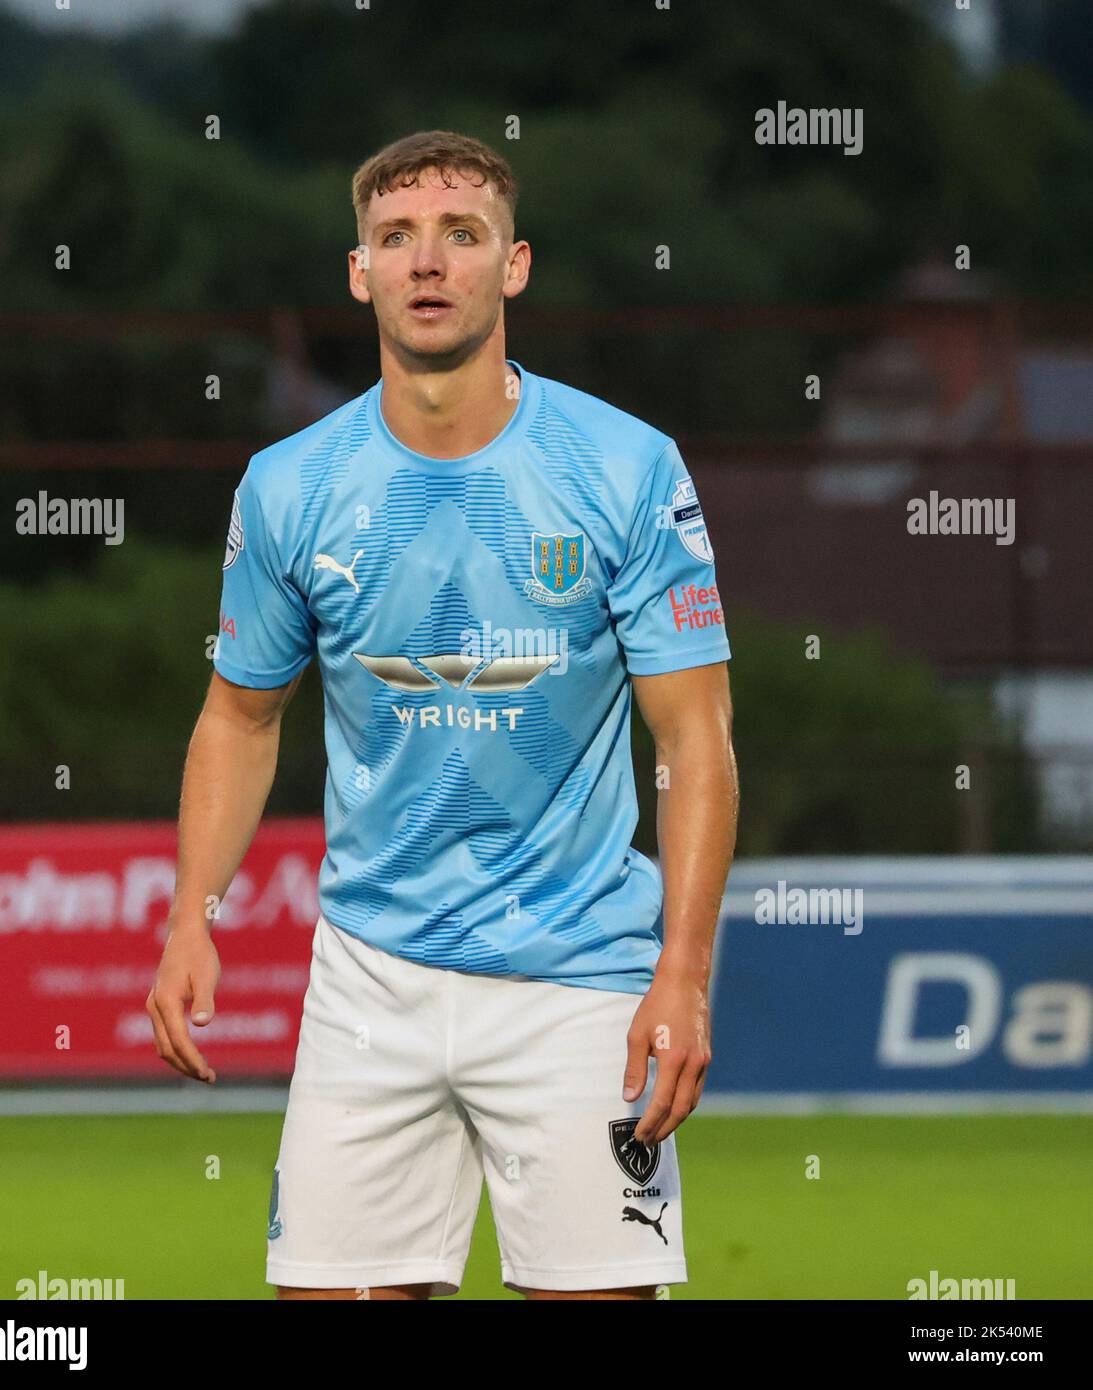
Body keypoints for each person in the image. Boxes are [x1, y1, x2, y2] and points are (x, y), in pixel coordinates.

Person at [146, 129, 738, 1301]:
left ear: (511, 265)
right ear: (356, 272)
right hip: (368, 979)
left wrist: (683, 970)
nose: (428, 262)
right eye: (395, 238)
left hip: (579, 982)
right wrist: (189, 914)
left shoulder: (625, 466)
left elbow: (695, 740)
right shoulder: (286, 486)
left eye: (460, 235)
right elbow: (238, 719)